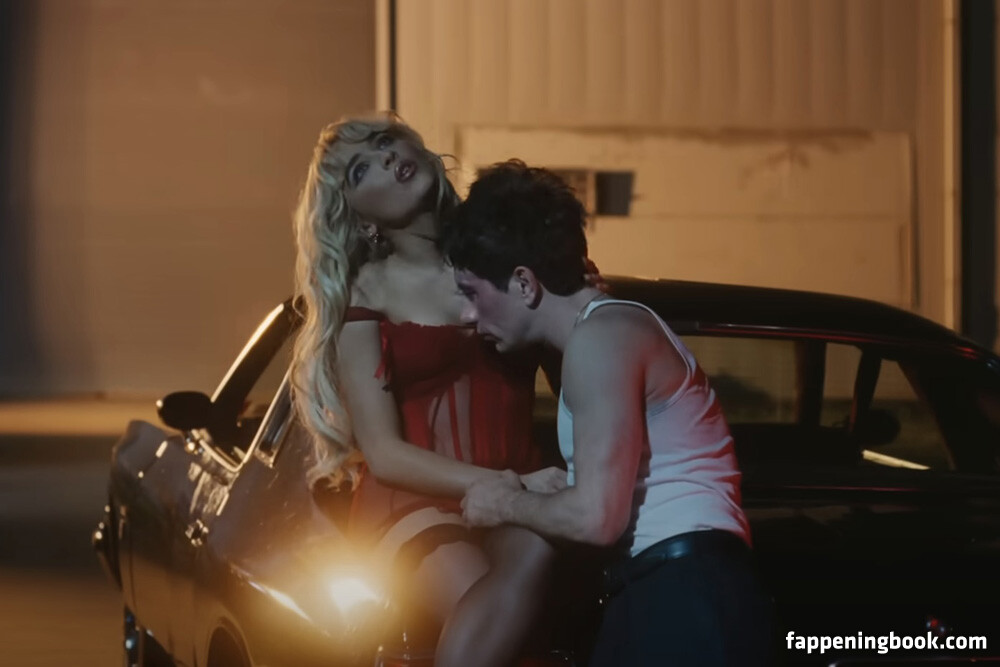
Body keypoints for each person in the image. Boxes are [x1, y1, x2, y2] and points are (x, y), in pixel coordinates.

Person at [443, 160, 775, 666]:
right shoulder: (603, 333)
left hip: (685, 592)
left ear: (524, 283)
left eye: (472, 293)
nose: (468, 315)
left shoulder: (602, 338)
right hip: (669, 586)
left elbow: (595, 518)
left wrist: (504, 502)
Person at [289, 117, 560, 667]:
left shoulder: (509, 255)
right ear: (358, 218)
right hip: (415, 504)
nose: (386, 158)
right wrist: (514, 485)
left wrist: (583, 306)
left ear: (418, 147)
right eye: (361, 170)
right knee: (489, 613)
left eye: (385, 142)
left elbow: (582, 375)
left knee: (536, 575)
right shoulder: (365, 294)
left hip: (523, 486)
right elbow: (384, 454)